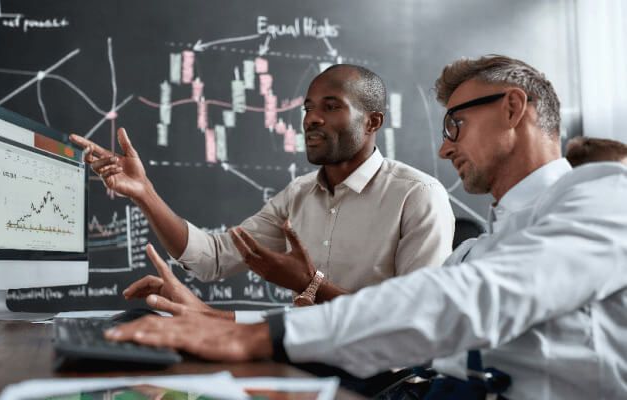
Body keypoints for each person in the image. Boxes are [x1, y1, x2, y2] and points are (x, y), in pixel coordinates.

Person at [104, 55, 627, 399]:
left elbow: (452, 307)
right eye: (308, 108)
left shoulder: (605, 195)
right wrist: (222, 322)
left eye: (455, 124)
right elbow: (416, 327)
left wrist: (267, 327)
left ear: (513, 108)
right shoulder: (487, 243)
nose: (445, 147)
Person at [70, 64, 455, 319]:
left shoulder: (418, 196)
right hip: (300, 366)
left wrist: (310, 285)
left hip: (380, 385)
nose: (311, 118)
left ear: (372, 121)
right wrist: (145, 194)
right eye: (307, 108)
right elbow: (213, 259)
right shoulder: (299, 195)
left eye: (331, 106)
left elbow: (414, 321)